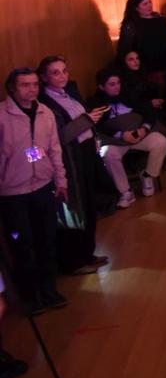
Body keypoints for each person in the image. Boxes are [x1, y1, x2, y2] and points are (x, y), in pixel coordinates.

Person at [0, 68, 68, 313]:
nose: (31, 89)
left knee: (46, 241)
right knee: (22, 245)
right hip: (13, 194)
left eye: (35, 84)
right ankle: (30, 298)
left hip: (42, 186)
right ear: (12, 88)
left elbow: (54, 149)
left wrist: (61, 181)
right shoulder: (2, 115)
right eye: (25, 85)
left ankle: (49, 292)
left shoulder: (45, 112)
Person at [37, 56, 108, 274]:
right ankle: (74, 262)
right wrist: (85, 121)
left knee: (88, 205)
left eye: (64, 71)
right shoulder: (45, 104)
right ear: (44, 77)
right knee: (73, 210)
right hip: (67, 160)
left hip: (84, 154)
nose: (62, 76)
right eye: (55, 72)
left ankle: (88, 254)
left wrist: (91, 128)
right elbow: (49, 143)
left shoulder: (69, 93)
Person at [89, 68, 166, 208]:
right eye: (111, 84)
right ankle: (125, 191)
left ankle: (148, 175)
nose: (116, 87)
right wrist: (121, 134)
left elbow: (148, 112)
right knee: (107, 154)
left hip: (138, 134)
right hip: (115, 140)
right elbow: (98, 128)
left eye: (118, 83)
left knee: (161, 142)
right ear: (101, 86)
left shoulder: (128, 96)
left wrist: (144, 129)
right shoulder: (95, 102)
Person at [116, 0, 166, 77]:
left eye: (150, 2)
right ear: (136, 7)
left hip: (165, 66)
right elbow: (125, 50)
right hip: (145, 70)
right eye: (145, 4)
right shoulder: (131, 25)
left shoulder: (160, 20)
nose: (149, 5)